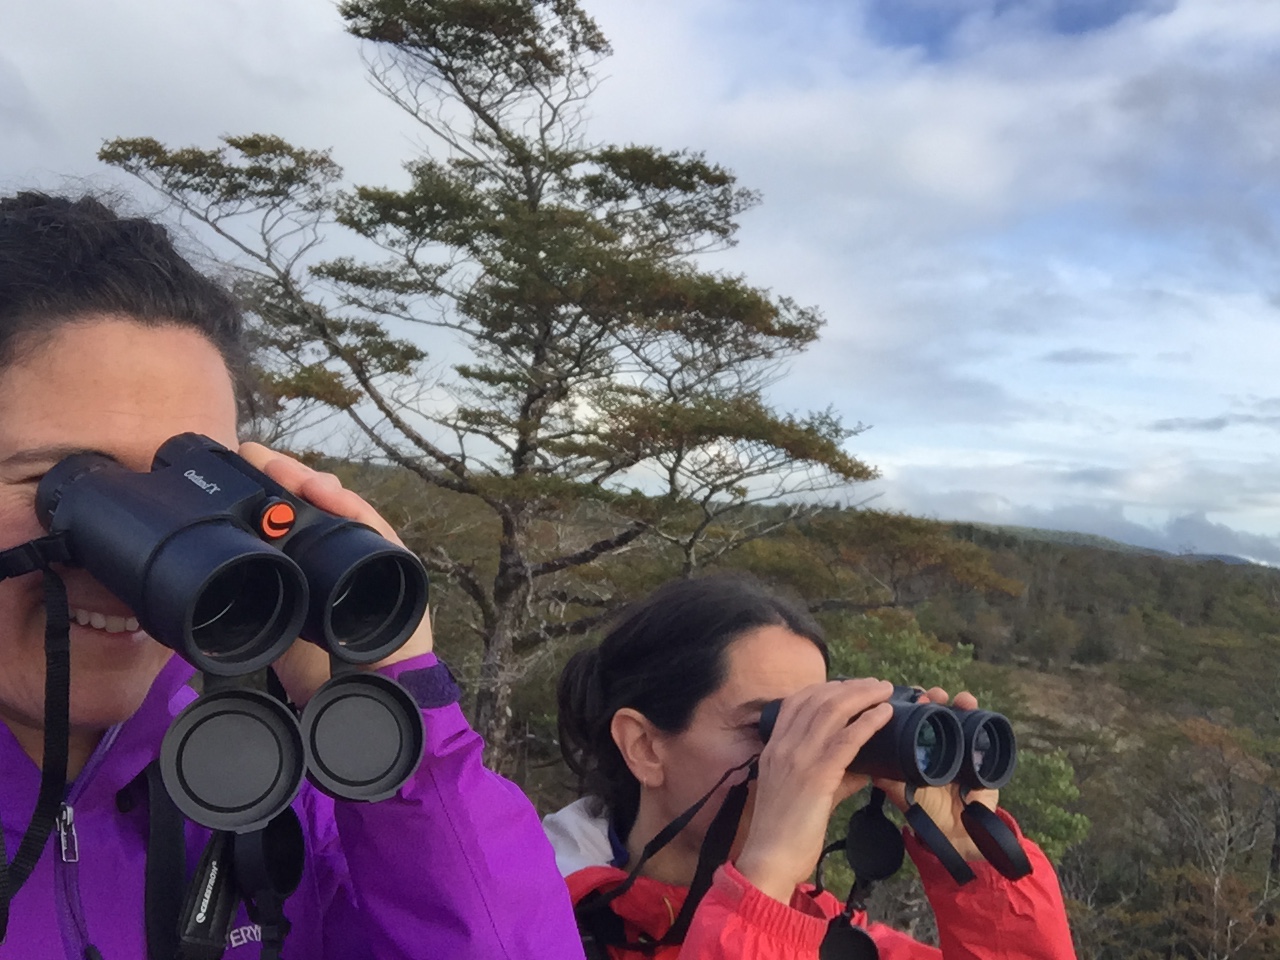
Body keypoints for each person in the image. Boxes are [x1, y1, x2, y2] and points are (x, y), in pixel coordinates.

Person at [0, 191, 585, 959]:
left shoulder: (261, 798)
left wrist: (391, 707)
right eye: (63, 481)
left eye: (184, 482)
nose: (139, 561)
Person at [545, 573, 1078, 958]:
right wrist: (766, 880)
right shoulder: (529, 926)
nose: (799, 755)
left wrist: (970, 856)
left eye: (815, 722)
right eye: (768, 725)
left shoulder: (824, 934)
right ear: (644, 746)